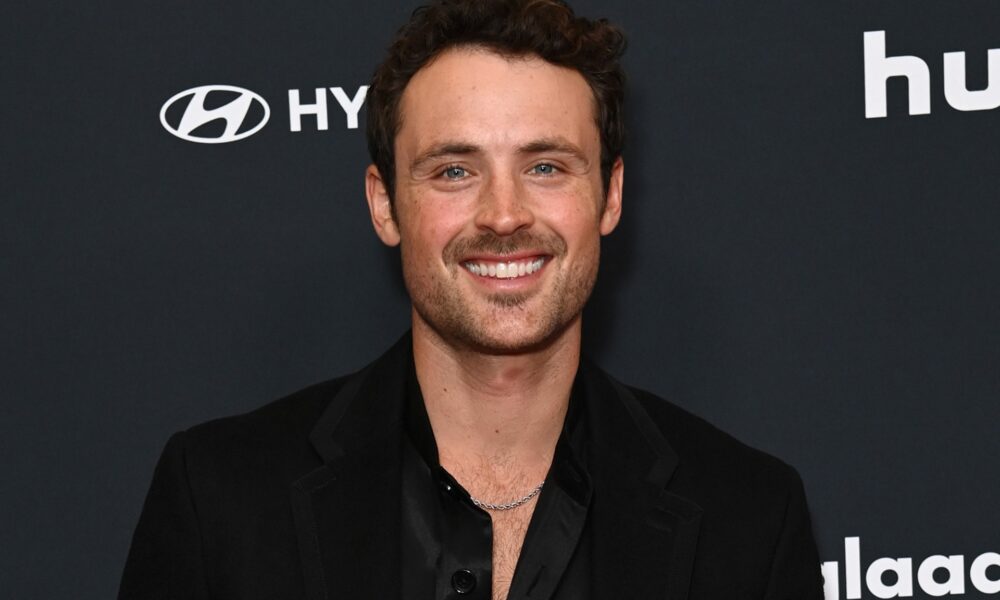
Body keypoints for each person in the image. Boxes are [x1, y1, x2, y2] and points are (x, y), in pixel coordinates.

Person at [119, 1, 824, 598]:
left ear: (610, 195)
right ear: (385, 204)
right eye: (455, 170)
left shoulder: (750, 519)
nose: (504, 215)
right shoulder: (221, 501)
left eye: (545, 166)